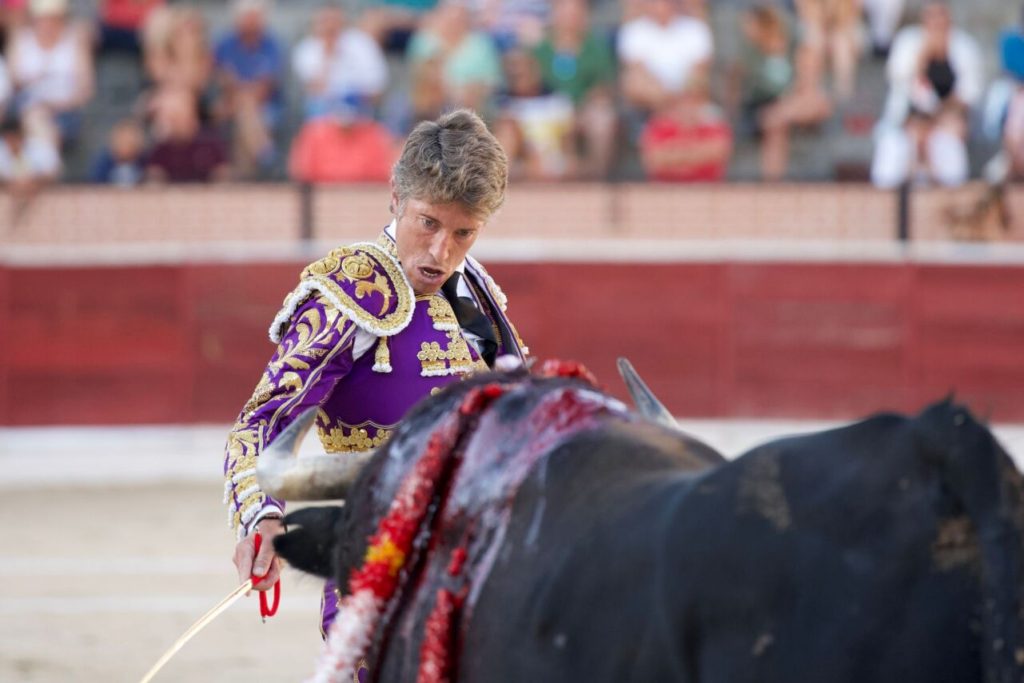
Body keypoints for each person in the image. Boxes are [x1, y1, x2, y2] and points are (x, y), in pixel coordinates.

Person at [223, 109, 528, 648]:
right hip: (381, 568)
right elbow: (263, 423)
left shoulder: (476, 290)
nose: (441, 253)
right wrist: (263, 518)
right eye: (428, 223)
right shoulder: (351, 291)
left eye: (464, 233)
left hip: (485, 568)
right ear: (395, 197)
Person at [871, 1, 983, 189]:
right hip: (905, 124)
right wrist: (924, 55)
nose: (936, 22)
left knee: (950, 155)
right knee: (891, 153)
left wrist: (936, 120)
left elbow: (969, 95)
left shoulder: (964, 46)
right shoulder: (908, 41)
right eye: (930, 16)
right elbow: (900, 79)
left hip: (945, 125)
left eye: (940, 15)